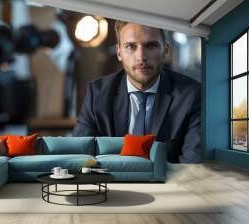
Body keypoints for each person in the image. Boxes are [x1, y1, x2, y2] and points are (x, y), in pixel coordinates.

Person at [72, 21, 201, 163]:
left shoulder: (191, 94)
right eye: (131, 46)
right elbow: (81, 155)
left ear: (166, 50)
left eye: (151, 45)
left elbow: (191, 165)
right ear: (119, 52)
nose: (141, 57)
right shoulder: (97, 94)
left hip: (168, 182)